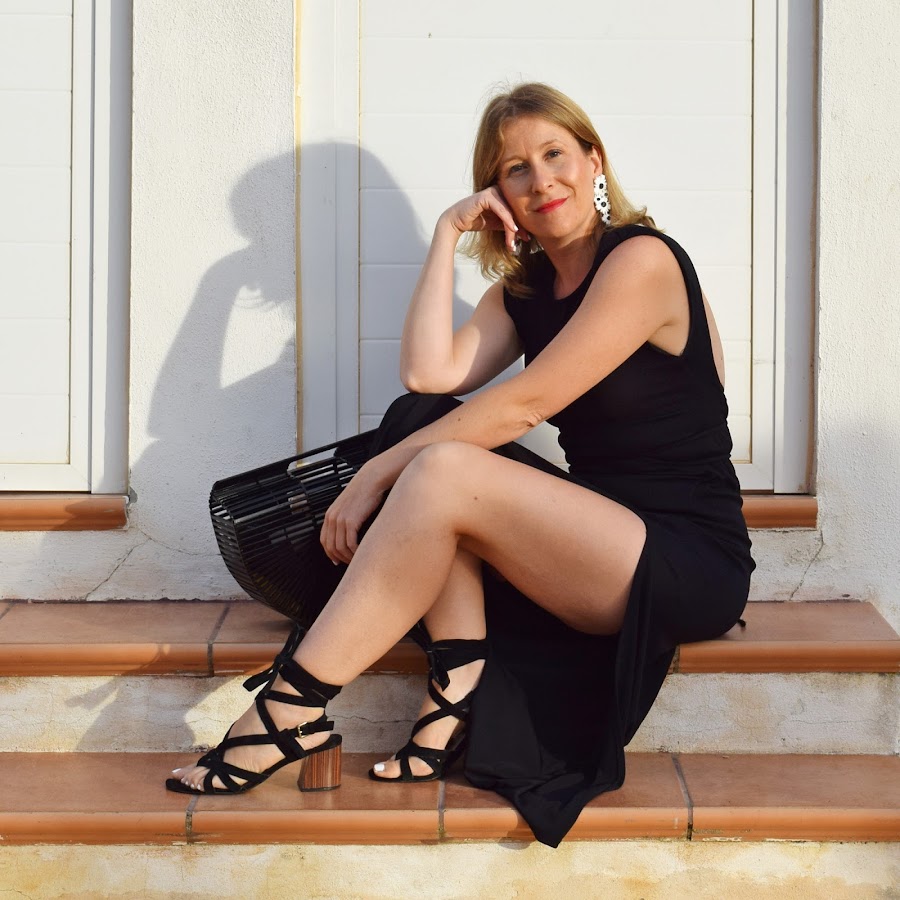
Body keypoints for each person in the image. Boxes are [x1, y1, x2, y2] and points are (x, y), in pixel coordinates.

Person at [167, 82, 754, 848]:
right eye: (515, 169)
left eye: (555, 155)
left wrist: (376, 475)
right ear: (496, 191)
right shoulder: (527, 290)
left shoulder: (642, 259)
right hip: (596, 537)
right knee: (419, 422)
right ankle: (457, 683)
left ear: (594, 160)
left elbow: (524, 405)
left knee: (435, 465)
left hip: (685, 558)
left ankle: (288, 708)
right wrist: (446, 234)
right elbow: (428, 373)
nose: (541, 180)